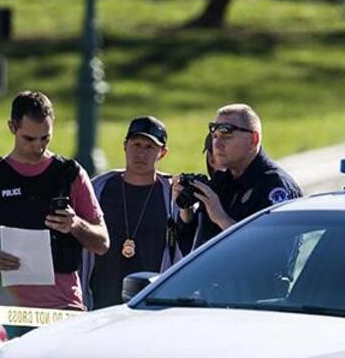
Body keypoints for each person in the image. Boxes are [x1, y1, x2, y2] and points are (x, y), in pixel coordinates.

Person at [0, 91, 108, 311]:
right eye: (29, 138)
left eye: (45, 137)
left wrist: (76, 225)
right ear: (12, 127)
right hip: (5, 309)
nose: (38, 146)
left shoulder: (71, 174)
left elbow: (103, 243)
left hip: (62, 307)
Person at [174, 103, 302, 254]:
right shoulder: (220, 183)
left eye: (227, 136)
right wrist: (186, 212)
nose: (217, 144)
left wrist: (223, 220)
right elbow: (190, 252)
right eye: (215, 136)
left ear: (253, 140)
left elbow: (275, 253)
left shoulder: (274, 186)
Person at [81, 116, 177, 309]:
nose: (141, 153)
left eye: (149, 147)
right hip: (100, 302)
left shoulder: (172, 196)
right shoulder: (99, 189)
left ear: (163, 153)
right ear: (125, 146)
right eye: (136, 144)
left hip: (151, 304)